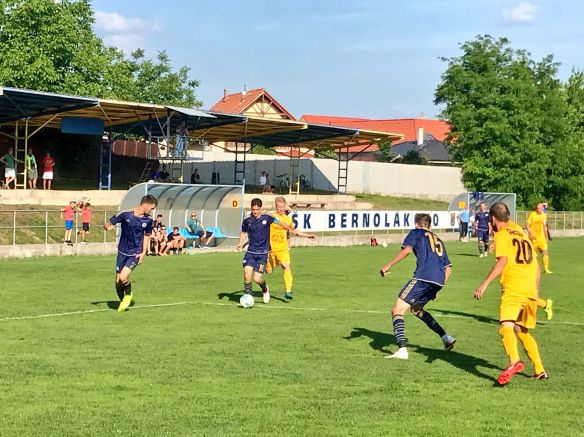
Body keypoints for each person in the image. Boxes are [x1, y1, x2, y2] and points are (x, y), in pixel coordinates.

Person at [474, 202, 549, 385]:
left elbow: (503, 261)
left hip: (514, 287)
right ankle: (539, 370)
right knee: (521, 329)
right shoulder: (518, 230)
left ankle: (514, 361)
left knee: (506, 325)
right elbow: (536, 264)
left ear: (492, 219)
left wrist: (484, 284)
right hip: (530, 287)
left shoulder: (501, 235)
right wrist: (535, 289)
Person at [379, 213, 455, 360]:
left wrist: (388, 265)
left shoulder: (416, 233)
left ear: (416, 224)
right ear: (430, 226)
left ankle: (402, 350)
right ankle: (446, 338)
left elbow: (407, 250)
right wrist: (438, 287)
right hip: (438, 280)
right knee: (416, 309)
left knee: (397, 310)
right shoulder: (439, 240)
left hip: (423, 277)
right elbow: (449, 270)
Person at [236, 198, 299, 304]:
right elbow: (243, 233)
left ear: (261, 208)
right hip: (251, 252)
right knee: (247, 275)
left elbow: (279, 222)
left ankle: (265, 289)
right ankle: (248, 296)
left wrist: (288, 228)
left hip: (262, 253)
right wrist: (240, 243)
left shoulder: (267, 218)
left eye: (257, 209)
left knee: (257, 278)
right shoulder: (247, 220)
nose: (255, 211)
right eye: (253, 209)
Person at [104, 194, 157, 312]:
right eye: (152, 208)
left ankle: (128, 295)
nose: (152, 211)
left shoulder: (148, 220)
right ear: (145, 204)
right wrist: (107, 227)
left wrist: (143, 252)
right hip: (122, 252)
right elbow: (108, 223)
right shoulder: (125, 214)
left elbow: (147, 236)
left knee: (123, 278)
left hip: (135, 253)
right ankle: (123, 301)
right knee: (118, 283)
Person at [266, 196, 316, 299]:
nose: (281, 209)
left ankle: (288, 291)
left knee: (286, 267)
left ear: (285, 206)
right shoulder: (270, 217)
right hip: (271, 250)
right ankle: (264, 285)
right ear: (276, 207)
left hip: (282, 249)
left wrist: (307, 235)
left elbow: (294, 231)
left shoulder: (288, 219)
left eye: (282, 207)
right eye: (279, 207)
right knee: (268, 272)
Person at [527, 203, 552, 274]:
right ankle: (529, 268)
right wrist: (530, 233)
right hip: (533, 238)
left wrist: (546, 237)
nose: (538, 210)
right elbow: (527, 225)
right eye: (537, 208)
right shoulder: (532, 214)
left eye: (539, 208)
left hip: (541, 238)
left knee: (545, 252)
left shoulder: (544, 215)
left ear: (542, 208)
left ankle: (546, 269)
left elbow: (544, 227)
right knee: (530, 253)